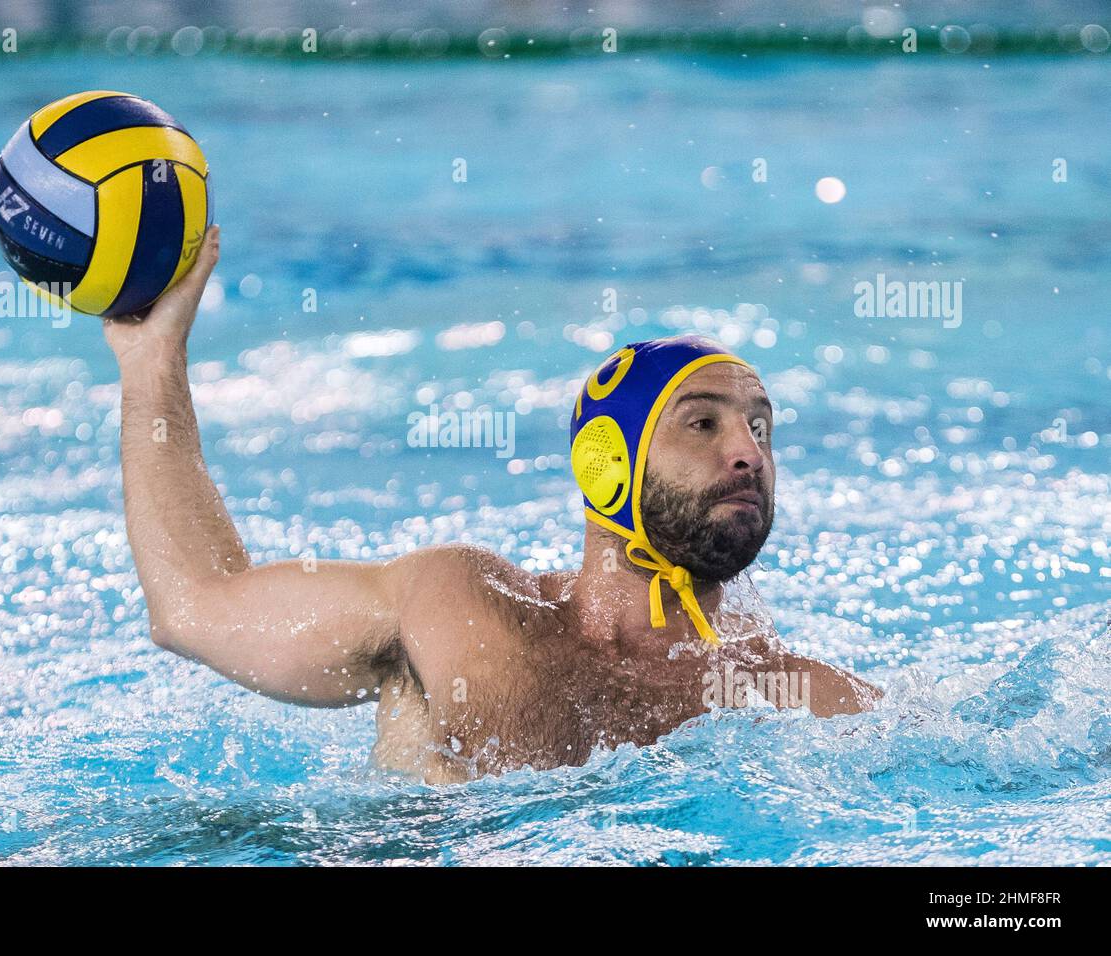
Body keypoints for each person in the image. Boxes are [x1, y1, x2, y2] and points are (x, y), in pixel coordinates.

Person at [105, 225, 881, 785]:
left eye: (760, 427)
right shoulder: (459, 610)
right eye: (703, 424)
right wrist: (153, 361)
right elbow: (193, 607)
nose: (748, 452)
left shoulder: (787, 697)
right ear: (606, 463)